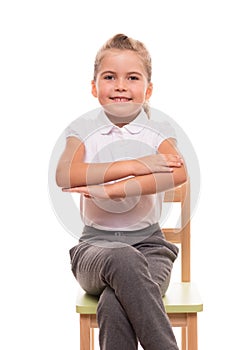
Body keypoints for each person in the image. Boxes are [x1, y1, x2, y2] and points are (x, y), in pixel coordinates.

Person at [56, 34, 187, 350]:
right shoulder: (84, 131)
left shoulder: (159, 132)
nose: (120, 86)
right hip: (95, 248)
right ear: (94, 86)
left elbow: (179, 173)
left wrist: (118, 190)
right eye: (109, 77)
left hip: (151, 248)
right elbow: (65, 175)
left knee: (115, 304)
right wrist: (139, 163)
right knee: (122, 257)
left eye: (132, 77)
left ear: (148, 89)